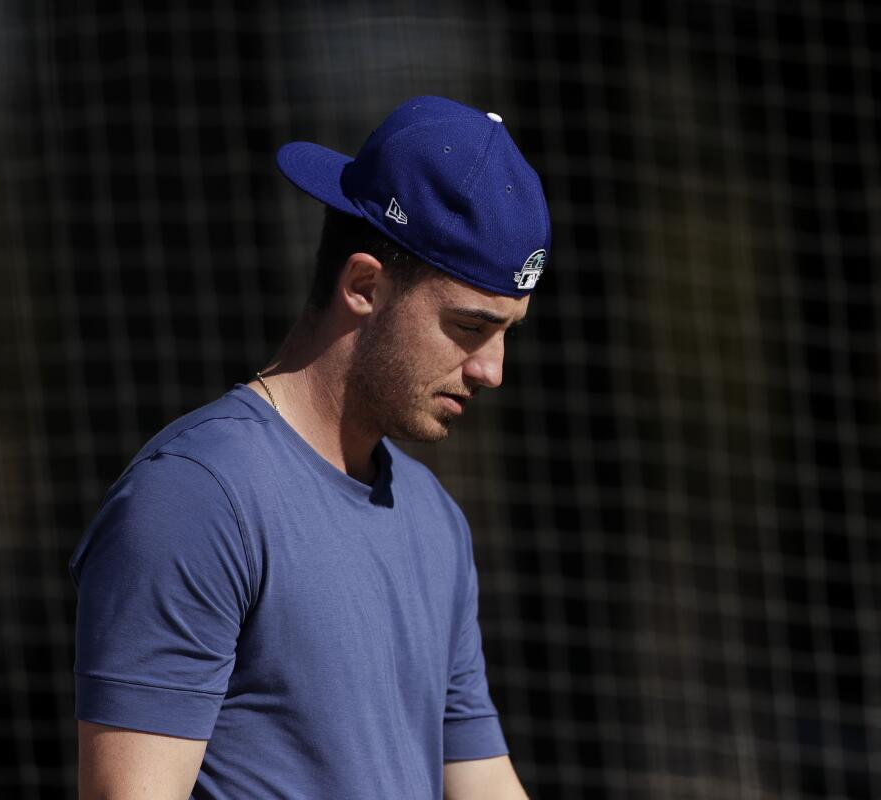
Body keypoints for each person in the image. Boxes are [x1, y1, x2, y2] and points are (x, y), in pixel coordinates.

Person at [69, 96, 550, 799]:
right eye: (471, 327)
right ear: (363, 286)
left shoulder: (433, 517)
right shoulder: (196, 497)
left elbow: (480, 779)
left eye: (509, 332)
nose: (492, 370)